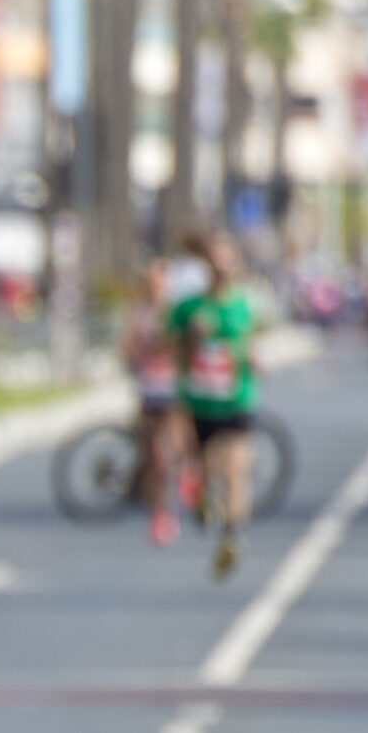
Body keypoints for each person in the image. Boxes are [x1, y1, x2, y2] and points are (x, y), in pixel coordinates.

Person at [168, 231, 261, 582]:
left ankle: (233, 536)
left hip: (238, 398)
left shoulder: (246, 303)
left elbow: (256, 343)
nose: (221, 266)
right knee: (206, 472)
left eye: (226, 258)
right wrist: (190, 336)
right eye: (214, 259)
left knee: (237, 470)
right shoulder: (188, 307)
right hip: (201, 401)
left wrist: (251, 357)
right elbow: (170, 347)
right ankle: (207, 503)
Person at [121, 257, 189, 548]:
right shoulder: (139, 315)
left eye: (161, 284)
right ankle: (160, 513)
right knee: (152, 458)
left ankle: (183, 492)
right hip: (149, 392)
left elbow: (185, 347)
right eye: (152, 284)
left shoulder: (176, 314)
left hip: (174, 392)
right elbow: (127, 350)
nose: (156, 289)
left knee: (172, 452)